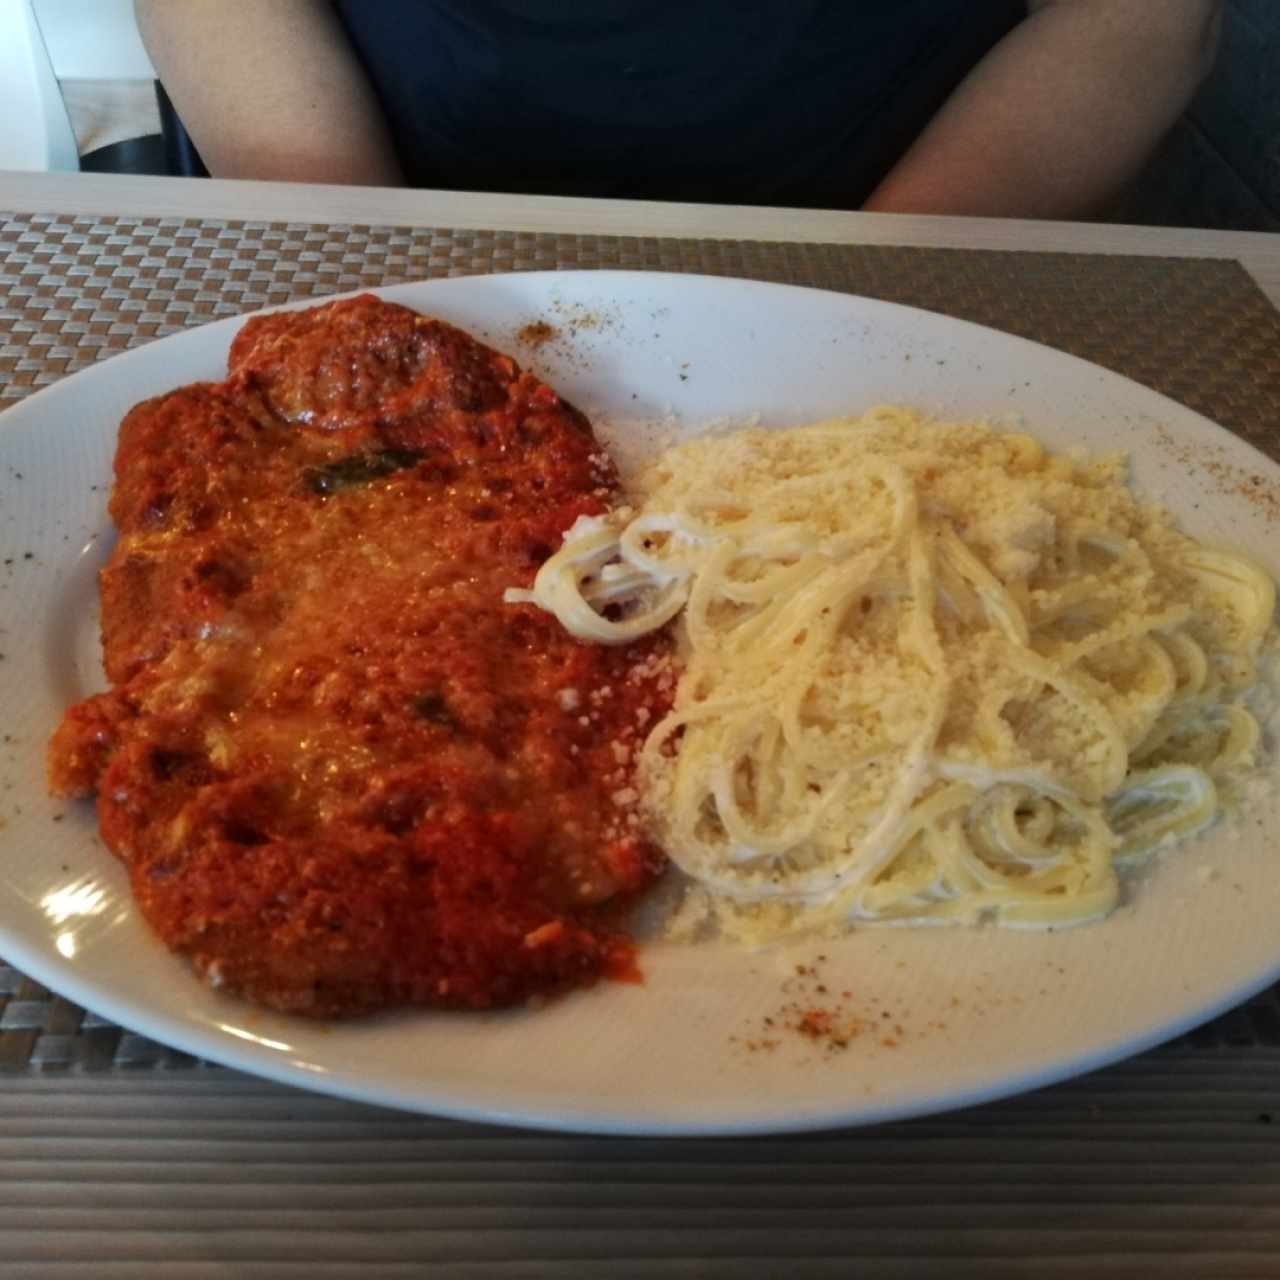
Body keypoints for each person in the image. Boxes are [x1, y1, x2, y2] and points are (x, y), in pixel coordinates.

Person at [135, 0, 1222, 219]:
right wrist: (363, 262)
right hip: (368, 178)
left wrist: (889, 275)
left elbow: (1132, 17)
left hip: (916, 201)